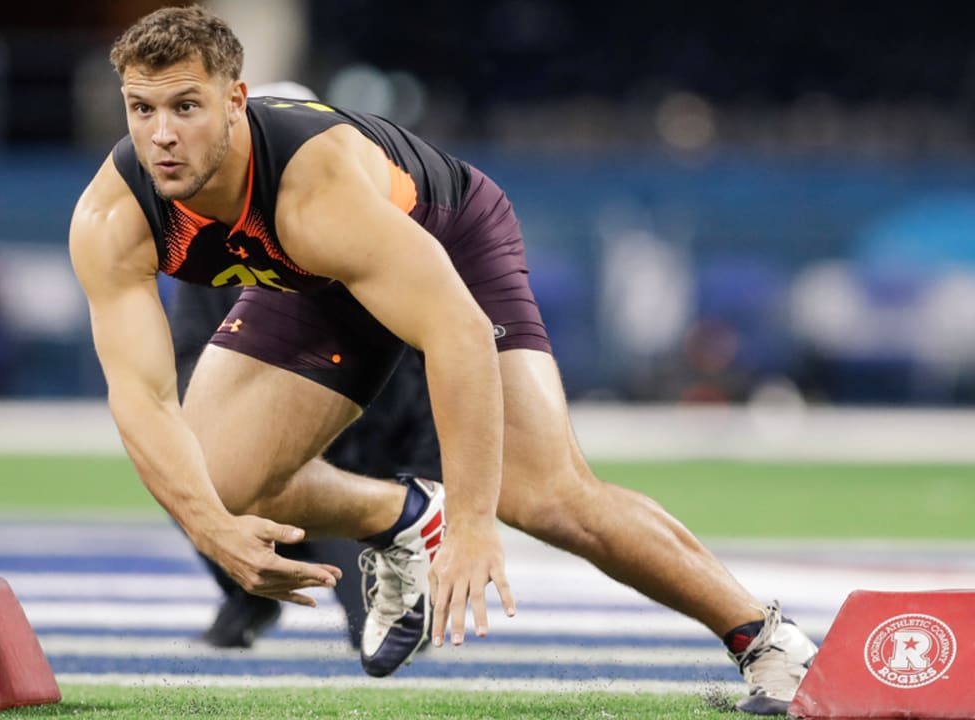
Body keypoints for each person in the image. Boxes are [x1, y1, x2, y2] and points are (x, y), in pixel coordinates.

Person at [69, 6, 815, 714]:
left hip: (443, 237)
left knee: (548, 497)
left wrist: (474, 525)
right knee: (219, 478)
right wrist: (208, 526)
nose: (161, 135)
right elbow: (140, 399)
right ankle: (400, 516)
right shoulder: (114, 215)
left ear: (236, 102)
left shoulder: (312, 190)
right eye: (142, 109)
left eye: (185, 107)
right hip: (309, 271)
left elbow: (457, 332)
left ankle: (764, 636)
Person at [172, 279, 440, 649]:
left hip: (364, 474)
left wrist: (431, 487)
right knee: (173, 456)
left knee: (391, 632)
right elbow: (182, 363)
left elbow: (440, 370)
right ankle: (246, 591)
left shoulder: (368, 238)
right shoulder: (206, 242)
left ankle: (408, 519)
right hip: (260, 460)